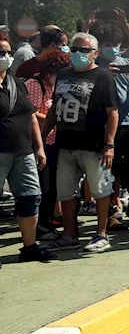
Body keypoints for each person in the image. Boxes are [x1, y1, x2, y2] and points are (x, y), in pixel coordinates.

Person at [42, 32, 119, 252]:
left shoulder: (103, 77)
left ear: (95, 53)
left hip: (94, 145)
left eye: (83, 50)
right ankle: (69, 234)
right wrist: (46, 132)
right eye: (74, 49)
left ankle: (101, 234)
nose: (77, 54)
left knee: (100, 189)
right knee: (65, 191)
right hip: (65, 143)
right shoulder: (64, 74)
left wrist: (110, 144)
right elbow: (55, 107)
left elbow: (112, 112)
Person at [1, 35, 55, 263]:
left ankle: (29, 247)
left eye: (8, 53)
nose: (6, 57)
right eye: (1, 53)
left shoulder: (16, 83)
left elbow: (32, 116)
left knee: (31, 197)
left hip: (24, 152)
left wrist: (39, 147)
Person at [92, 22, 129, 227]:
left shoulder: (127, 62)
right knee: (110, 172)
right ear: (99, 46)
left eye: (116, 44)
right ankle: (111, 213)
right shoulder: (94, 65)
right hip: (106, 126)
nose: (113, 48)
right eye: (108, 44)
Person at [25, 49, 71, 241]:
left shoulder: (55, 86)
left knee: (52, 187)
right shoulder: (34, 85)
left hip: (54, 142)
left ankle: (48, 223)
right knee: (44, 188)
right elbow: (32, 114)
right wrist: (57, 120)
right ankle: (41, 228)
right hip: (39, 143)